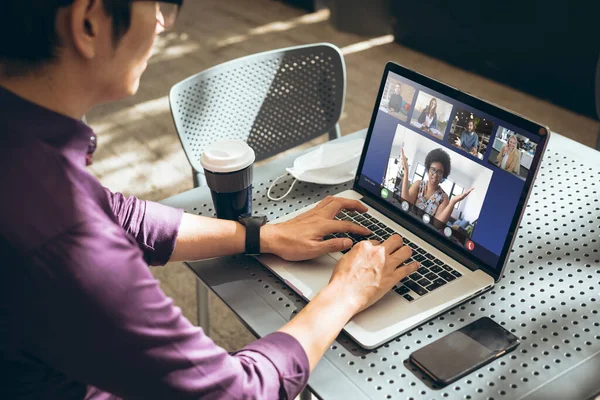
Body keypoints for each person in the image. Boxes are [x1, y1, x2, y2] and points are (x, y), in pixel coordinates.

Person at [0, 1, 420, 399]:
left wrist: (264, 234)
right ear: (89, 22)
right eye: (159, 3)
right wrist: (345, 293)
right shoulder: (62, 233)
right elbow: (237, 392)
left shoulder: (28, 156)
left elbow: (119, 214)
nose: (163, 22)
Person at [400, 148, 473, 224]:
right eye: (433, 170)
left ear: (443, 175)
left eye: (439, 172)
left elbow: (437, 225)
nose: (435, 175)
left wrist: (452, 203)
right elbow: (405, 203)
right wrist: (406, 171)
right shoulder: (418, 184)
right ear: (428, 169)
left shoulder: (444, 198)